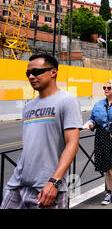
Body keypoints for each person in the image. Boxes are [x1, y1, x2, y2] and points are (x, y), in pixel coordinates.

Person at [1, 54, 82, 209]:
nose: (31, 77)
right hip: (17, 184)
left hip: (47, 188)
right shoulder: (28, 106)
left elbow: (72, 143)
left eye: (37, 72)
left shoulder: (67, 100)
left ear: (53, 72)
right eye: (28, 74)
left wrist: (54, 181)